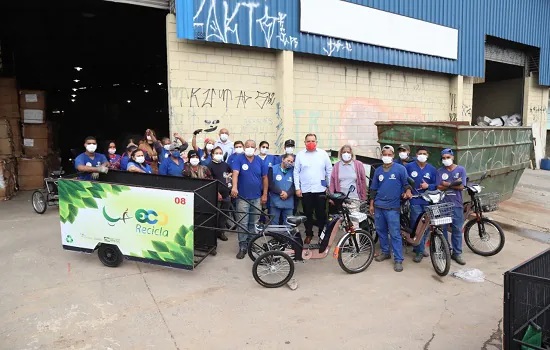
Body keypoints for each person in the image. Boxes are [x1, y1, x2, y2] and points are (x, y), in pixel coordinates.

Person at [369, 145, 412, 272]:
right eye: (384, 154)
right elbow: (373, 189)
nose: (387, 157)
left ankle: (398, 259)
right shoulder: (378, 170)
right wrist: (371, 204)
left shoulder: (400, 169)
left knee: (395, 234)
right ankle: (386, 252)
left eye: (389, 155)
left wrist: (408, 191)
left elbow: (406, 183)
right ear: (381, 155)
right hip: (378, 206)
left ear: (393, 155)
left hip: (393, 207)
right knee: (381, 231)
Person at [231, 140, 268, 259]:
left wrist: (265, 194)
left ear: (256, 149)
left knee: (254, 222)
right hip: (242, 198)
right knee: (243, 223)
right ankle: (242, 246)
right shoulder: (239, 159)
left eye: (252, 146)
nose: (250, 148)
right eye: (248, 146)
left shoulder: (260, 161)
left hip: (257, 197)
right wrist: (234, 187)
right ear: (244, 148)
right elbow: (235, 174)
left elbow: (265, 178)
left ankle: (252, 243)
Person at [293, 133, 333, 245]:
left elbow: (329, 171)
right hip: (306, 190)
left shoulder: (323, 154)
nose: (311, 143)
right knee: (307, 214)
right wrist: (297, 188)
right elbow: (296, 172)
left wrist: (329, 186)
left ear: (316, 142)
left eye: (313, 141)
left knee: (321, 214)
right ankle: (309, 234)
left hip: (320, 189)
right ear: (305, 142)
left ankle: (322, 234)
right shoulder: (300, 155)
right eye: (308, 141)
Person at [405, 147, 437, 263]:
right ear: (416, 155)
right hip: (415, 200)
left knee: (427, 226)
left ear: (427, 155)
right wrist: (407, 190)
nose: (422, 155)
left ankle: (420, 246)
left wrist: (428, 186)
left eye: (424, 153)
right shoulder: (409, 167)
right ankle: (419, 251)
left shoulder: (432, 169)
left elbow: (436, 184)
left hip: (428, 201)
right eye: (420, 153)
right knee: (417, 226)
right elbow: (404, 180)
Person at [437, 148, 467, 265]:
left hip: (456, 204)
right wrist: (455, 183)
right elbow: (439, 187)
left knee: (457, 229)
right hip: (442, 203)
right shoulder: (439, 171)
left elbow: (462, 186)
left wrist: (447, 184)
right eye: (443, 158)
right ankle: (445, 250)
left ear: (452, 157)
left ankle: (457, 253)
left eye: (448, 157)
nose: (446, 160)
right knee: (442, 229)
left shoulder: (461, 170)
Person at [208, 146, 232, 241]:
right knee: (215, 215)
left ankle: (220, 232)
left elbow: (231, 172)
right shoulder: (209, 166)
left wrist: (228, 177)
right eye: (216, 153)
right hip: (216, 194)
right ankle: (213, 234)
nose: (219, 155)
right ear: (213, 154)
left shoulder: (225, 164)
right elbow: (210, 181)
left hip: (226, 194)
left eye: (220, 153)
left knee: (224, 215)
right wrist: (217, 193)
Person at [268, 154, 295, 226]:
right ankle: (275, 237)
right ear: (283, 159)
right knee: (274, 222)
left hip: (288, 201)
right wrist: (280, 192)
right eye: (288, 160)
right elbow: (270, 184)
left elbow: (295, 185)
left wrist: (287, 194)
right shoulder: (273, 169)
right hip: (275, 200)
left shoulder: (293, 171)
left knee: (289, 223)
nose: (289, 163)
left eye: (291, 162)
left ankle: (286, 237)